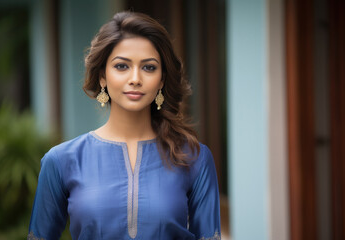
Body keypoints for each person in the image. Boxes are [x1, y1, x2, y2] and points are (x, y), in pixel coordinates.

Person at [28, 11, 221, 240]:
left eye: (149, 67)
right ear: (102, 76)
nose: (135, 78)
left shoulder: (194, 158)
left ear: (161, 80)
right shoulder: (61, 160)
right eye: (122, 66)